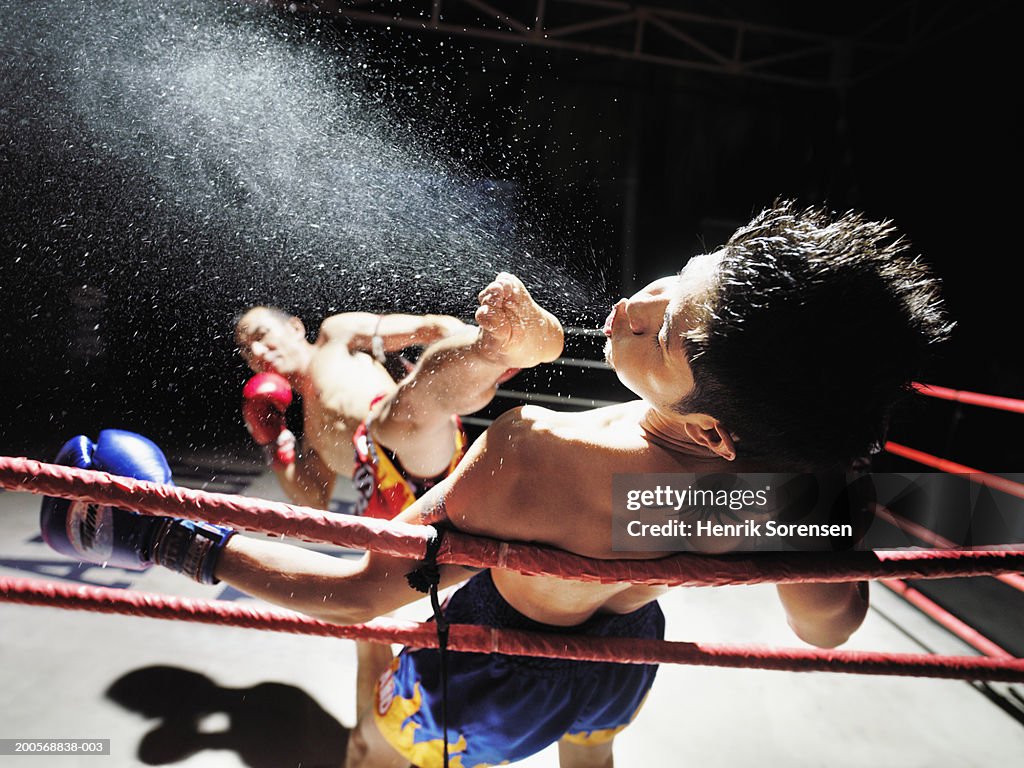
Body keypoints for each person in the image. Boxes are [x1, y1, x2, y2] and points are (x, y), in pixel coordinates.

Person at [42, 202, 951, 768]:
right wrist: (825, 505)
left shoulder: (540, 456)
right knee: (592, 744)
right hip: (621, 660)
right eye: (682, 276)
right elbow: (828, 625)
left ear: (715, 423)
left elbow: (356, 594)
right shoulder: (774, 485)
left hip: (488, 680)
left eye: (664, 331)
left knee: (372, 749)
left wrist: (167, 537)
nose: (635, 304)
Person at [232, 273, 564, 717]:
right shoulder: (307, 434)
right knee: (365, 626)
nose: (256, 352)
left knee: (400, 416)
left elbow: (431, 327)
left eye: (260, 335)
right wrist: (275, 443)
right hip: (395, 509)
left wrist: (473, 348)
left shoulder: (337, 335)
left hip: (411, 439)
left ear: (294, 327)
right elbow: (313, 500)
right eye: (245, 350)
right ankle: (371, 741)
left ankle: (503, 345)